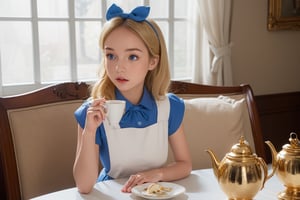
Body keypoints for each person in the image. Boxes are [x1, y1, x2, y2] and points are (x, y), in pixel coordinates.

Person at [73, 3, 192, 194]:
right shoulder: (92, 112)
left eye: (133, 57)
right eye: (111, 55)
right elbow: (84, 185)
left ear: (153, 61)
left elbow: (185, 164)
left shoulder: (169, 107)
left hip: (154, 194)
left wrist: (157, 174)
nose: (119, 67)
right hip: (112, 194)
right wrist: (89, 131)